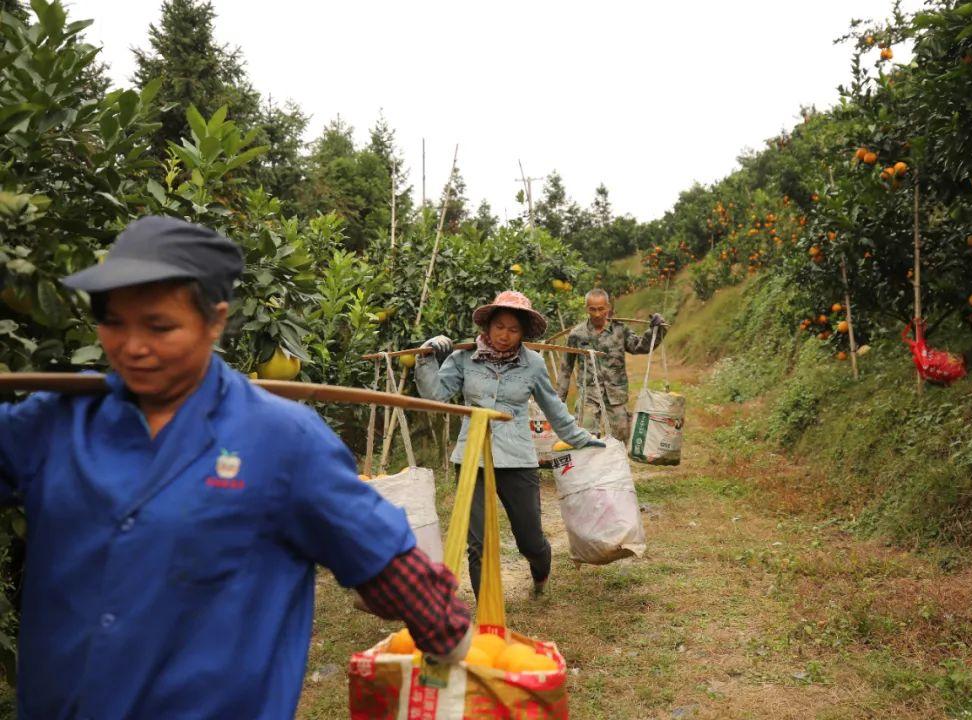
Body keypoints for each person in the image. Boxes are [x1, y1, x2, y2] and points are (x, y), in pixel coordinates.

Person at [0, 216, 471, 719]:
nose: (132, 346)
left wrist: (447, 636)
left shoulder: (280, 442)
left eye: (160, 326)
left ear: (215, 320)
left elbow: (384, 561)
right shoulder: (56, 424)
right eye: (115, 322)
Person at [416, 290, 603, 599]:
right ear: (487, 326)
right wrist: (426, 356)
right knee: (478, 543)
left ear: (523, 333)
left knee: (529, 539)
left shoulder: (533, 364)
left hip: (517, 458)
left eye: (513, 329)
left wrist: (580, 438)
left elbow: (553, 408)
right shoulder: (464, 357)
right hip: (472, 456)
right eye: (499, 326)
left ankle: (540, 572)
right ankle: (487, 615)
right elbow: (436, 396)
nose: (505, 335)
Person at [556, 288, 666, 443]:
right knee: (585, 436)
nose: (597, 314)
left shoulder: (620, 330)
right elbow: (565, 369)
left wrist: (656, 330)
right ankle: (591, 466)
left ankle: (616, 466)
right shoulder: (576, 334)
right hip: (589, 394)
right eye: (592, 309)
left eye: (601, 309)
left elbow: (640, 346)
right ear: (586, 308)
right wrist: (558, 401)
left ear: (608, 307)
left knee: (621, 438)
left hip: (615, 393)